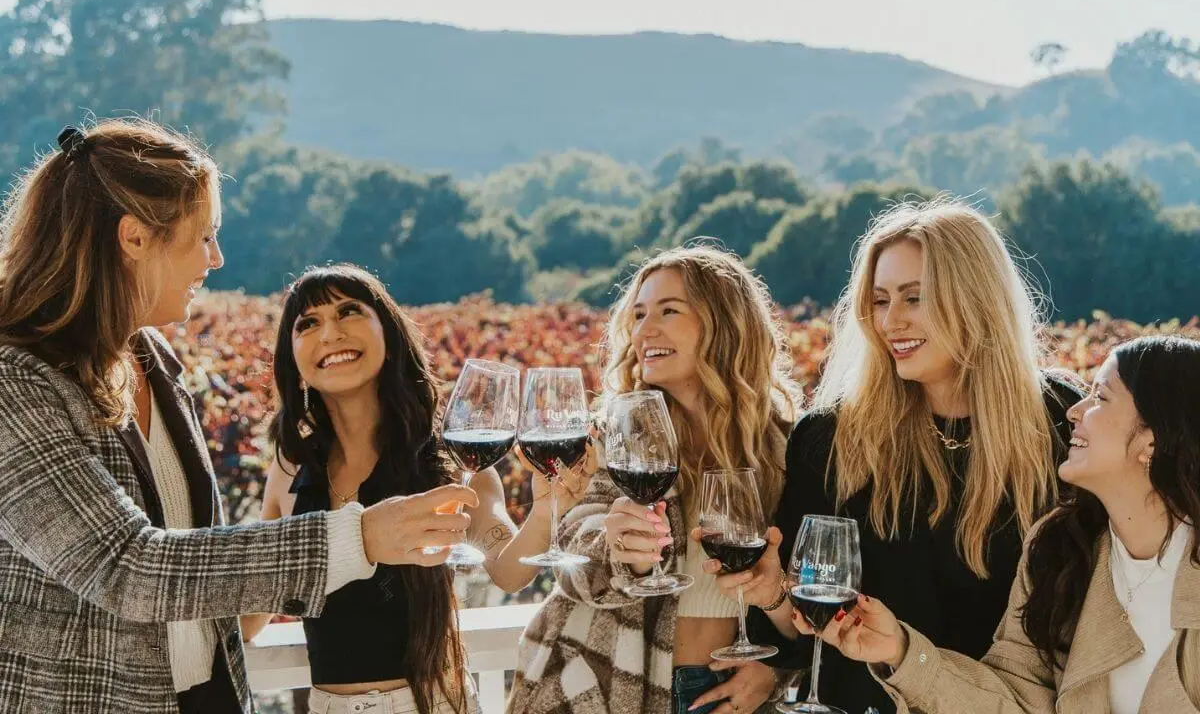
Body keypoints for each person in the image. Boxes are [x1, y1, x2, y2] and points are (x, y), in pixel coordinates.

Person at [0, 120, 476, 714]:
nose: (216, 259)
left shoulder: (153, 360)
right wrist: (359, 537)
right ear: (134, 238)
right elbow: (128, 567)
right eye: (203, 237)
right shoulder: (15, 386)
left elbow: (199, 551)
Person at [708, 200, 1084, 714]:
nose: (891, 321)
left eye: (914, 298)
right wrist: (773, 593)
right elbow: (800, 639)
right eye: (880, 300)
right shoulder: (831, 439)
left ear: (977, 298)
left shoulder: (1059, 419)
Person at [239, 263, 595, 714]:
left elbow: (508, 571)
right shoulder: (290, 470)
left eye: (349, 312)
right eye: (308, 323)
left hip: (433, 704)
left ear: (388, 336)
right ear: (294, 360)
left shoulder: (448, 457)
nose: (330, 333)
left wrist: (546, 506)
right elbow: (249, 620)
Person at [814, 335, 1200, 713]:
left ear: (1153, 440)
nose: (1074, 411)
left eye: (1100, 397)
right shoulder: (1058, 548)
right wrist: (899, 650)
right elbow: (1014, 701)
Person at [509, 245, 803, 714]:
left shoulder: (788, 448)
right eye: (639, 314)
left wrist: (777, 671)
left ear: (725, 324)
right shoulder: (619, 432)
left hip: (727, 694)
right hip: (602, 688)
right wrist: (619, 548)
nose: (644, 330)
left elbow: (808, 601)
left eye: (669, 310)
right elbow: (576, 543)